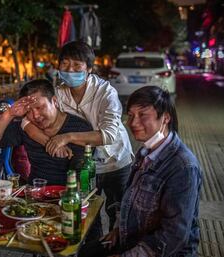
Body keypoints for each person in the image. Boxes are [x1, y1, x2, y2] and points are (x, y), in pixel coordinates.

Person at [23, 41, 133, 231]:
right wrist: (50, 141)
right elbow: (26, 122)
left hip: (115, 161)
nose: (70, 70)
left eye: (77, 65)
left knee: (120, 214)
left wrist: (66, 137)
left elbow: (108, 135)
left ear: (89, 68)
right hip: (85, 165)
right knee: (88, 214)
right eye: (65, 64)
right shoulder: (58, 93)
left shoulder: (106, 93)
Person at [81, 86, 202, 256]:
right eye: (130, 115)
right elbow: (132, 202)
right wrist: (118, 230)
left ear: (165, 118)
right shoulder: (145, 152)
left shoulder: (183, 167)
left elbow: (173, 235)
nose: (133, 123)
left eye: (142, 115)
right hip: (131, 241)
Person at [0, 79, 93, 185]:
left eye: (39, 107)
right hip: (35, 193)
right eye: (28, 111)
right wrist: (10, 113)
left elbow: (81, 172)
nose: (35, 115)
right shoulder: (27, 127)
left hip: (68, 195)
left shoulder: (80, 128)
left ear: (54, 101)